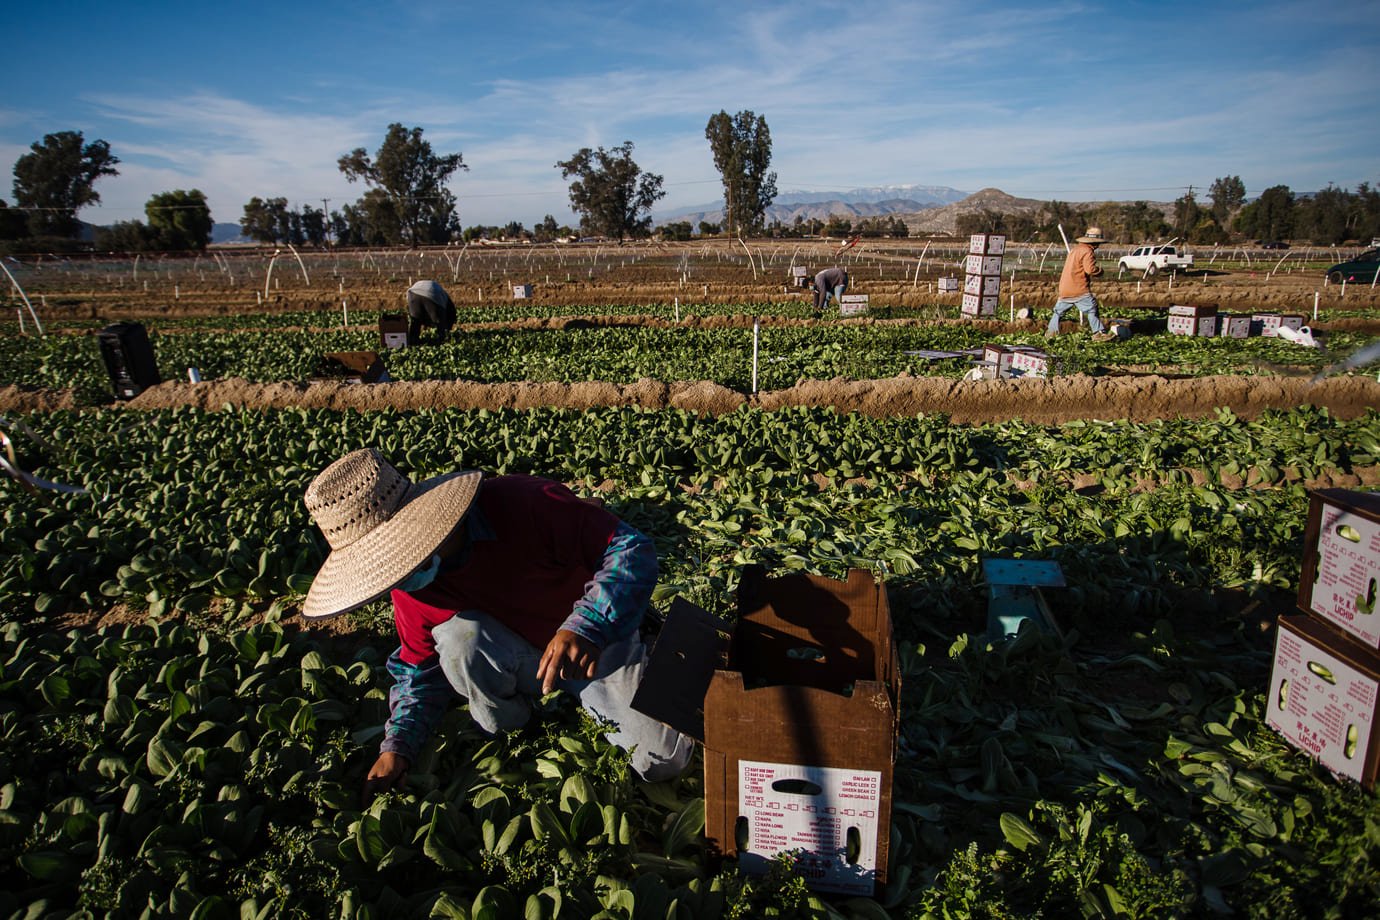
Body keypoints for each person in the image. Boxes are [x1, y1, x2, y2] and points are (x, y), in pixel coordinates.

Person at [300, 448, 693, 800]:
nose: (395, 578)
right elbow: (417, 672)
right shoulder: (408, 589)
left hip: (596, 645)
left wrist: (588, 624)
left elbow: (630, 548)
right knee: (458, 640)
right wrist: (396, 748)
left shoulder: (519, 502)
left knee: (663, 759)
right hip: (522, 661)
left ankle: (638, 659)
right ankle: (520, 727)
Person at [1047, 228, 1116, 341]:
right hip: (1078, 288)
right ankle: (1098, 333)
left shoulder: (1076, 249)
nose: (1098, 246)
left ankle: (1051, 332)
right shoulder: (1087, 251)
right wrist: (1099, 271)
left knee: (1058, 311)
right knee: (1092, 308)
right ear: (1095, 242)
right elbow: (1090, 269)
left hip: (1065, 287)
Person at [406, 279, 457, 346]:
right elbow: (449, 317)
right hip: (431, 294)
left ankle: (413, 342)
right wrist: (446, 329)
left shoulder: (443, 296)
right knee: (439, 322)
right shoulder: (447, 304)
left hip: (413, 293)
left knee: (415, 321)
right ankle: (442, 342)